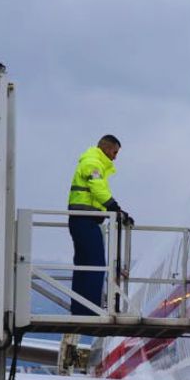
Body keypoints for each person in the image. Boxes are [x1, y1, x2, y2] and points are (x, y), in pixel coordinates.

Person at [67, 135, 131, 315]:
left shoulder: (92, 161)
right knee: (96, 264)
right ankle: (90, 309)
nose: (115, 157)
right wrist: (115, 207)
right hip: (84, 220)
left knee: (84, 264)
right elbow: (97, 188)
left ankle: (80, 308)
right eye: (114, 152)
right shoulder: (93, 163)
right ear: (106, 148)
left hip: (83, 220)